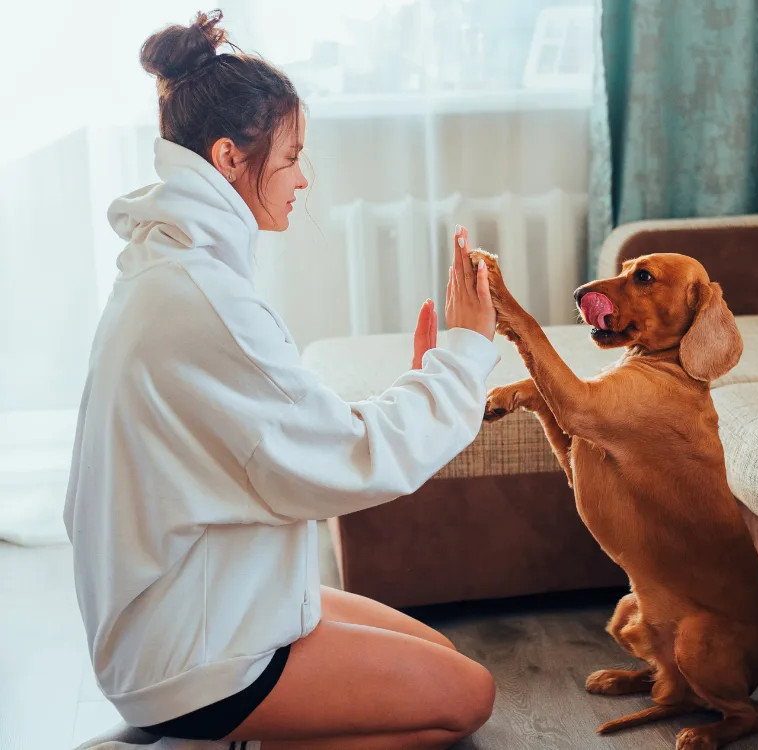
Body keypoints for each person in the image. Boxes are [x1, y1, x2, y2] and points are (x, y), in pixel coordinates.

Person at [64, 10, 499, 750]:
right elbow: (346, 460)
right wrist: (465, 353)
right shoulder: (202, 299)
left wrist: (428, 375)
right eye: (293, 157)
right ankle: (223, 739)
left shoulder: (175, 269)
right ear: (231, 157)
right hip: (191, 654)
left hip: (198, 600)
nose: (306, 178)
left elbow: (293, 433)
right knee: (467, 698)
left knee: (443, 663)